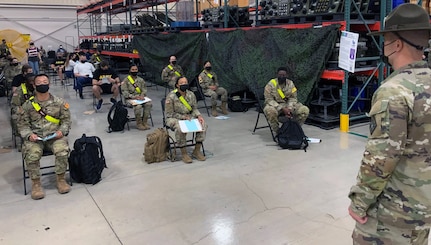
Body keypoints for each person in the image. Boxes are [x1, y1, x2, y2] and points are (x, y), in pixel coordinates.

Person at [348, 4, 431, 244]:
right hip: (423, 208)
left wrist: (360, 202)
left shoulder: (394, 91)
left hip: (393, 213)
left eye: (386, 39)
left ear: (397, 44)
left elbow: (382, 156)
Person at [17, 74, 71, 200]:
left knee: (62, 151)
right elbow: (22, 125)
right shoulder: (27, 105)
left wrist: (62, 131)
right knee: (32, 153)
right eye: (39, 82)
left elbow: (66, 121)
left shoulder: (59, 102)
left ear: (49, 84)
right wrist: (29, 135)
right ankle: (36, 184)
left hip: (55, 136)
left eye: (45, 82)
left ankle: (61, 180)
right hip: (36, 138)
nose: (42, 84)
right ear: (34, 85)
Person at [165, 76, 206, 163]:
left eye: (185, 82)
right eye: (182, 83)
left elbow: (194, 108)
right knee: (180, 128)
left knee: (202, 125)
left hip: (189, 116)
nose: (184, 84)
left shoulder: (191, 94)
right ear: (177, 85)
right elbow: (169, 113)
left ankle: (197, 151)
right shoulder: (171, 96)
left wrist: (199, 116)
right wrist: (182, 117)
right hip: (174, 118)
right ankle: (184, 153)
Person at [263, 67, 309, 135]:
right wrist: (282, 108)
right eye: (280, 75)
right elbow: (268, 99)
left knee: (304, 110)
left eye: (283, 75)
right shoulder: (271, 84)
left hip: (288, 105)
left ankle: (293, 128)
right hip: (274, 105)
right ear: (277, 74)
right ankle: (278, 132)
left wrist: (289, 108)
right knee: (270, 112)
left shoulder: (290, 84)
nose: (281, 76)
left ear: (287, 75)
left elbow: (293, 98)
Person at [121, 64, 152, 130]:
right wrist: (135, 97)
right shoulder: (126, 81)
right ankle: (139, 123)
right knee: (138, 106)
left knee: (149, 104)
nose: (134, 71)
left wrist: (142, 95)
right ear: (130, 70)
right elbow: (125, 93)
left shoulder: (141, 80)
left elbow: (144, 89)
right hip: (130, 99)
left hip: (141, 98)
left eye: (136, 69)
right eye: (133, 70)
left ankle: (145, 122)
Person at [11, 74, 35, 150]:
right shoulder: (19, 90)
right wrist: (22, 111)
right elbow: (14, 105)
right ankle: (22, 139)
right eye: (30, 82)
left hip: (37, 110)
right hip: (23, 110)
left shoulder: (38, 88)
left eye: (33, 82)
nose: (32, 84)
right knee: (15, 118)